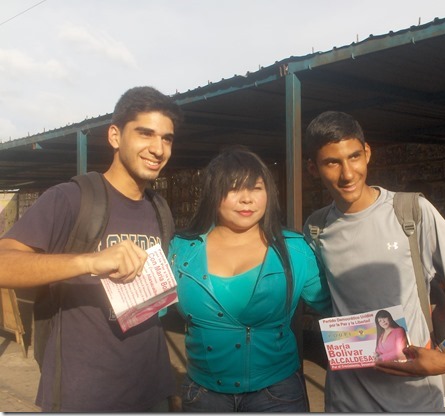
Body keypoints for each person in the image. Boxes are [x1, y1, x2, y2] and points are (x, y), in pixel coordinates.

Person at [0, 86, 181, 412]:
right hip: (83, 395)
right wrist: (89, 261)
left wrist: (168, 388)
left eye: (167, 138)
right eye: (145, 134)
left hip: (151, 394)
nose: (158, 149)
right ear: (115, 136)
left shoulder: (160, 209)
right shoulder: (70, 199)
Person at [302, 110, 445, 412]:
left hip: (416, 398)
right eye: (331, 162)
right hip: (347, 401)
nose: (347, 173)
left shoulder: (411, 212)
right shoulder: (316, 228)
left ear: (367, 153)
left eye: (353, 157)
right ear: (313, 168)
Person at [168, 146, 331, 412]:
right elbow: (149, 309)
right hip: (203, 397)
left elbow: (337, 304)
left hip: (278, 395)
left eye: (256, 188)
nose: (247, 199)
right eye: (233, 189)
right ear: (212, 194)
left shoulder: (295, 250)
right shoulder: (181, 248)